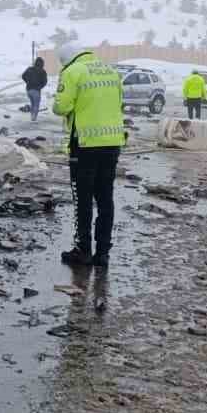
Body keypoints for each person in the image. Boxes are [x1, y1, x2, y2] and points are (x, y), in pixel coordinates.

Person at [53, 41, 126, 269]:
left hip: (84, 144)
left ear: (67, 59)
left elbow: (61, 107)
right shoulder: (110, 70)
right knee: (105, 198)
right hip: (112, 143)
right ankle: (103, 253)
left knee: (82, 199)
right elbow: (119, 103)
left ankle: (83, 250)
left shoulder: (72, 72)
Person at [21, 57, 48, 121]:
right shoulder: (43, 71)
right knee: (36, 104)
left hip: (29, 90)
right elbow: (45, 82)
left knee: (32, 103)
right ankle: (33, 118)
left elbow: (23, 76)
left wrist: (27, 82)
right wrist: (40, 86)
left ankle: (32, 116)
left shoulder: (30, 69)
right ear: (42, 64)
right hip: (36, 90)